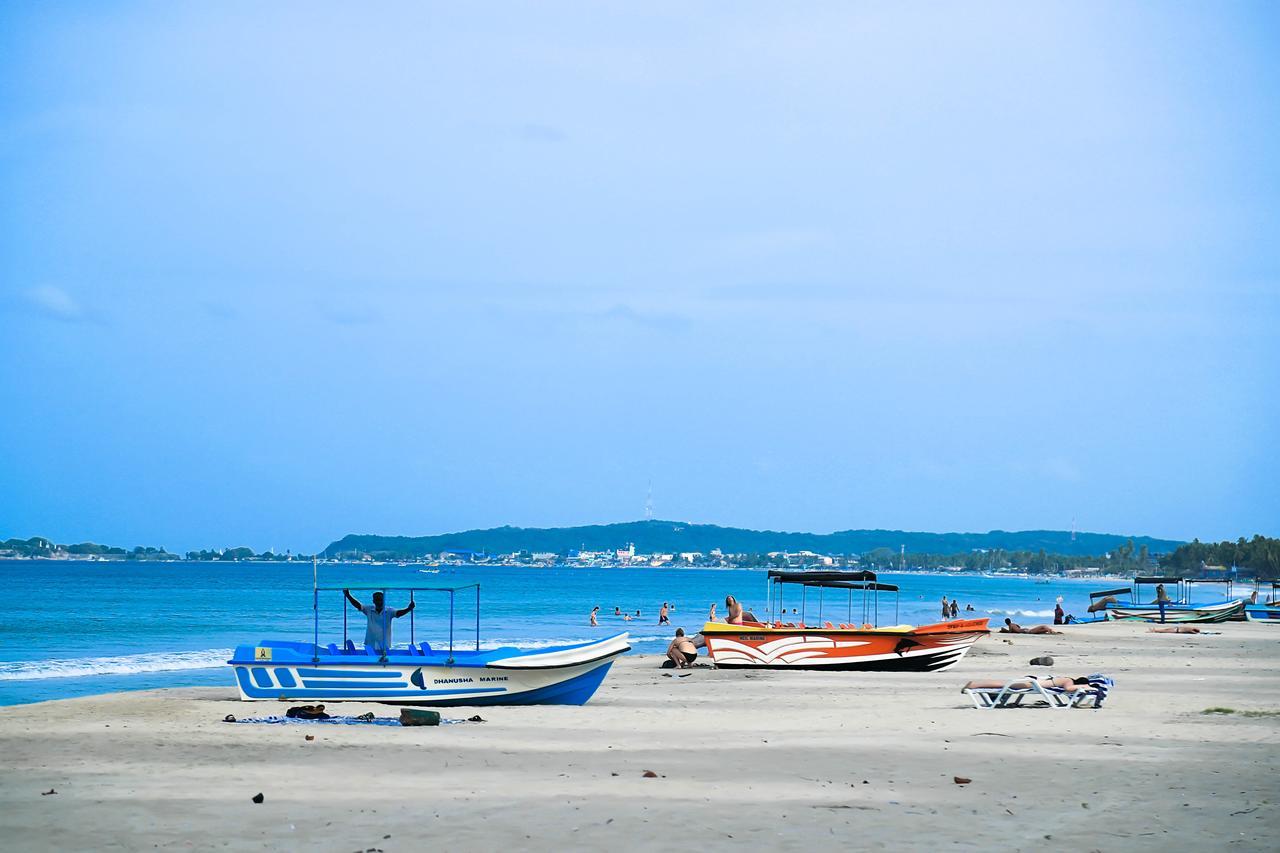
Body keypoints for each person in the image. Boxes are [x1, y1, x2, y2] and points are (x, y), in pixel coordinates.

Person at [343, 589, 414, 654]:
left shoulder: (389, 611)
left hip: (384, 644)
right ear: (373, 601)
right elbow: (358, 605)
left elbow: (398, 613)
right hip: (370, 642)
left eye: (380, 599)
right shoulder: (369, 609)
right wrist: (348, 595)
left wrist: (408, 609)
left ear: (383, 600)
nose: (378, 602)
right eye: (377, 600)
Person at [962, 675, 1093, 694]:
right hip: (1031, 685)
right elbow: (1069, 688)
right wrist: (1086, 687)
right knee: (1001, 685)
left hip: (1032, 681)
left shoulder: (1065, 678)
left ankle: (975, 684)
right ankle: (974, 685)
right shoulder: (1069, 681)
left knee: (1002, 684)